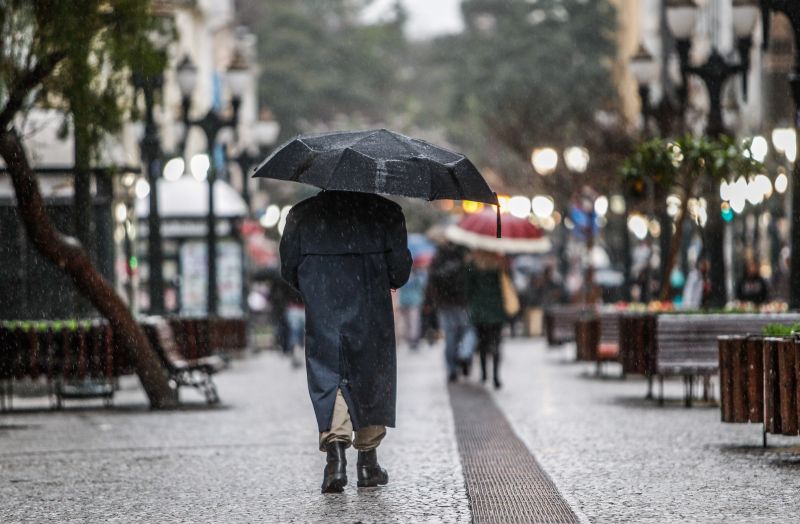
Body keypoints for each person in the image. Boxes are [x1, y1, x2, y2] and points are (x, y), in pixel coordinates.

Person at [280, 190, 412, 494]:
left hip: (323, 306)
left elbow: (288, 269)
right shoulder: (386, 212)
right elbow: (400, 272)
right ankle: (368, 462)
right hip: (370, 306)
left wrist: (315, 284)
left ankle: (335, 460)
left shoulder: (301, 213)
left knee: (330, 374)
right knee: (371, 375)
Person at [427, 242, 474, 382]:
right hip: (462, 303)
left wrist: (432, 301)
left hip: (444, 303)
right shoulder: (463, 257)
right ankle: (464, 354)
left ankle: (452, 369)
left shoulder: (438, 258)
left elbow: (432, 281)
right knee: (467, 330)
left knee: (450, 335)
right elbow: (469, 280)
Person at [465, 250, 507, 389]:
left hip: (480, 311)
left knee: (482, 343)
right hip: (496, 310)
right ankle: (496, 377)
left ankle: (484, 375)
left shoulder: (474, 264)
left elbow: (468, 288)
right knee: (496, 343)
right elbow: (505, 285)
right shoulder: (499, 264)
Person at [397, 264, 427, 349]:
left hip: (408, 301)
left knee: (410, 322)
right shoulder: (417, 276)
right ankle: (412, 340)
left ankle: (411, 340)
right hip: (412, 301)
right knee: (412, 322)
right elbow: (422, 285)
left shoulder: (404, 276)